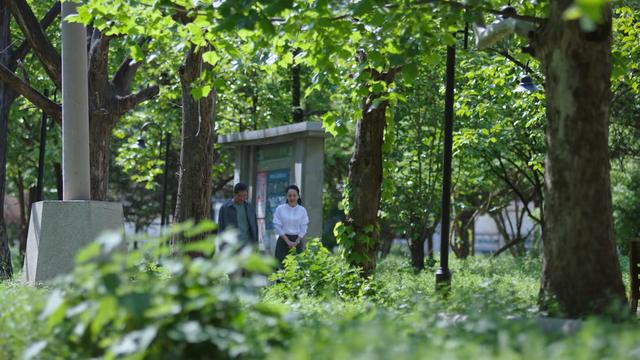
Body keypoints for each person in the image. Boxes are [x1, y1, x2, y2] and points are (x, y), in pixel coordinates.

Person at [273, 184, 309, 268]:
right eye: (289, 195)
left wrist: (296, 241)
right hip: (283, 241)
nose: (292, 198)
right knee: (281, 268)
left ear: (298, 196)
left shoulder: (302, 210)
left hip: (297, 242)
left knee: (297, 268)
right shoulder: (280, 209)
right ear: (286, 196)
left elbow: (304, 227)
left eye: (294, 195)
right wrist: (287, 241)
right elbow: (277, 225)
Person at [217, 182, 258, 247]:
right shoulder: (225, 208)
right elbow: (220, 229)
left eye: (244, 196)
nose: (242, 198)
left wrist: (256, 245)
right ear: (234, 194)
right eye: (239, 196)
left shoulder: (250, 207)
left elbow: (255, 227)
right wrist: (221, 247)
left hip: (247, 246)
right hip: (231, 246)